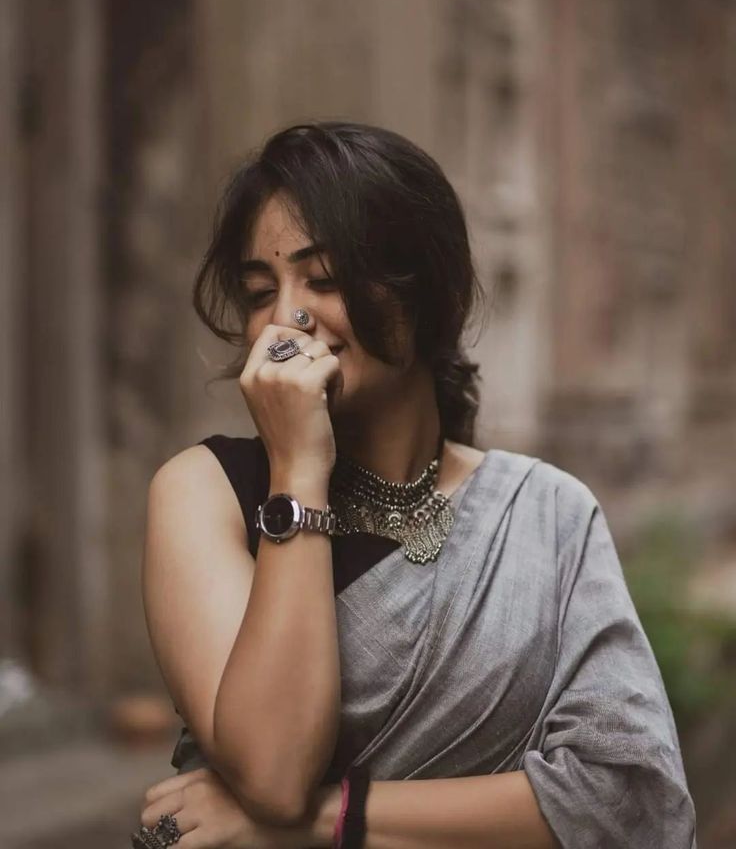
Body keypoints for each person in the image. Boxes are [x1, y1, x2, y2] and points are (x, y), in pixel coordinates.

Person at [134, 122, 696, 849]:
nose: (285, 320)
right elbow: (272, 771)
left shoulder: (546, 513)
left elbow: (627, 797)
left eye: (325, 280)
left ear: (426, 290)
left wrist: (331, 818)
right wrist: (298, 469)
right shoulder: (201, 493)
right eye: (258, 291)